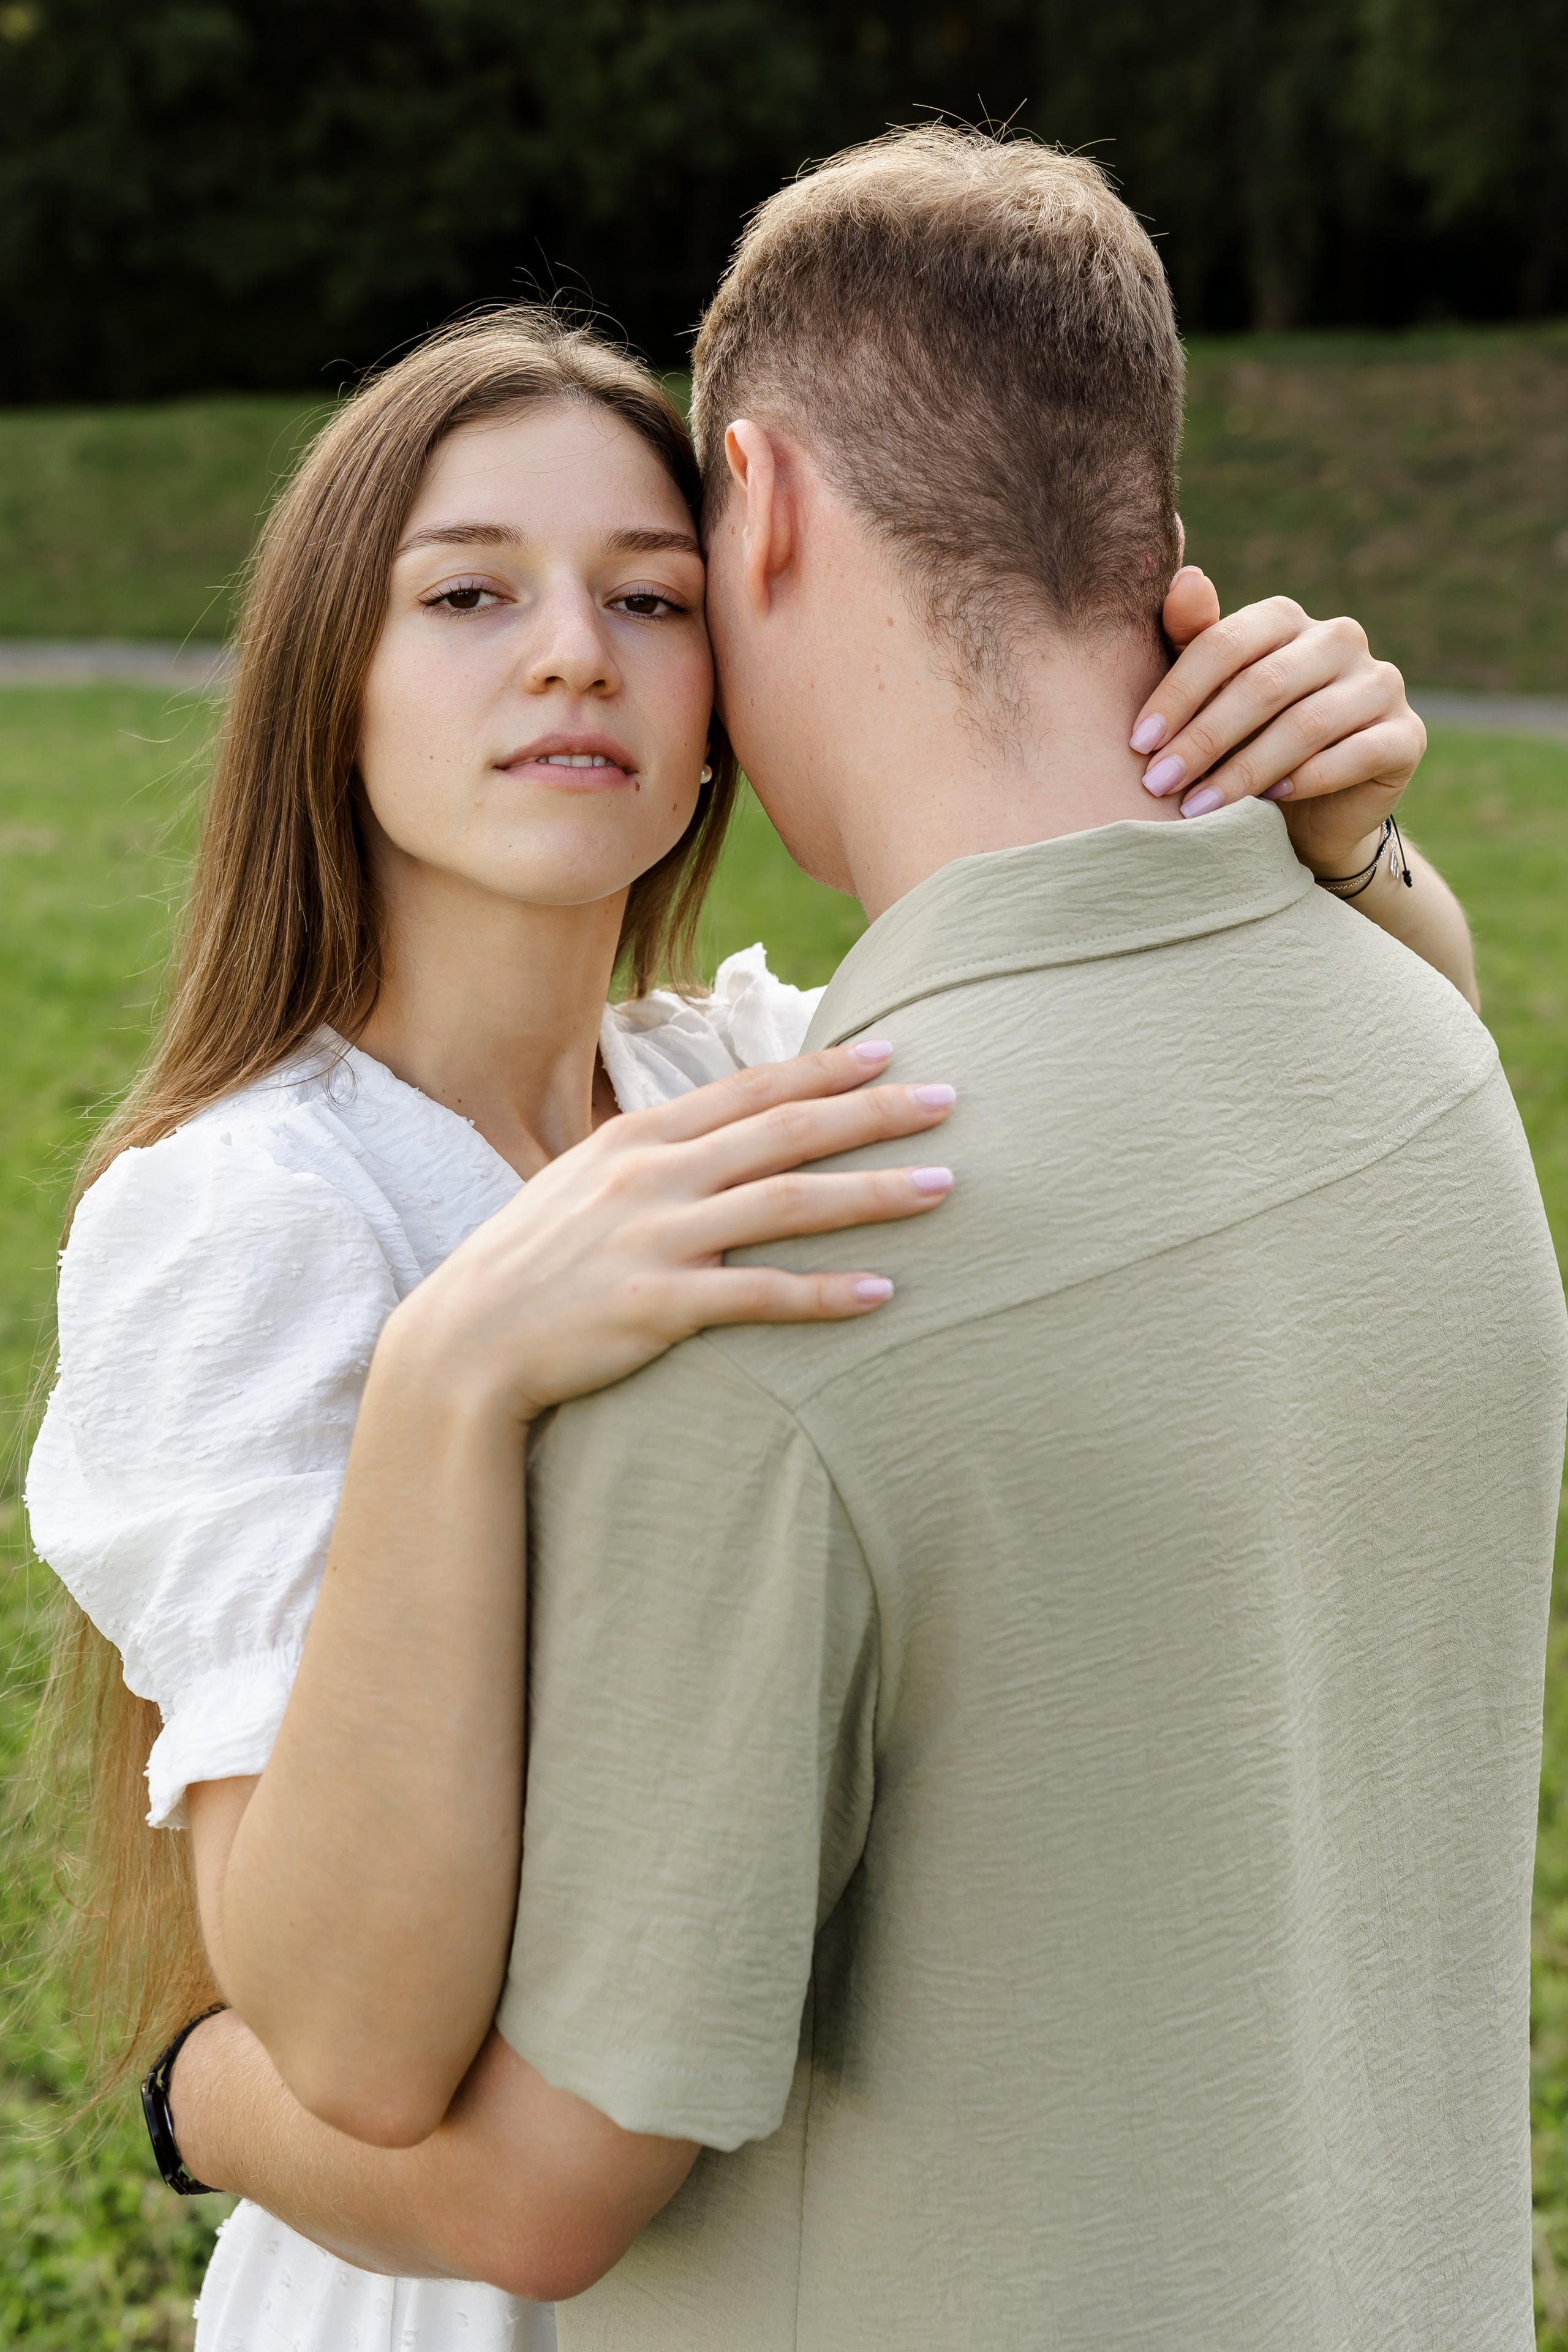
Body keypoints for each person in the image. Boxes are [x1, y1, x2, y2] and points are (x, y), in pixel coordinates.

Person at [28, 154, 1499, 2352]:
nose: (570, 657)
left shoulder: (735, 1069)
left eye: (646, 596)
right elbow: (340, 2040)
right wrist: (453, 1382)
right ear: (325, 677)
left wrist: (1343, 837)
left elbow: (1154, 1104)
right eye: (466, 598)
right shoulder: (246, 1217)